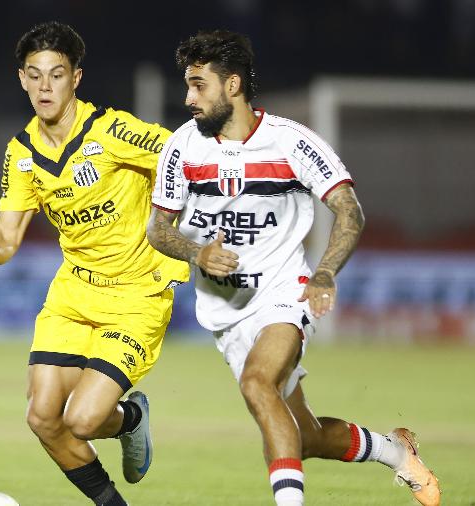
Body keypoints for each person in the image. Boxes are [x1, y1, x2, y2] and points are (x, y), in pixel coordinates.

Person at [145, 30, 441, 506]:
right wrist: (197, 253)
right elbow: (157, 230)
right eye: (187, 85)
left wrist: (323, 273)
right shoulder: (183, 147)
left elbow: (349, 210)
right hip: (226, 314)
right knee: (301, 436)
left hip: (283, 292)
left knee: (257, 383)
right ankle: (395, 453)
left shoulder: (291, 142)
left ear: (233, 84)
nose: (188, 98)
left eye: (199, 85)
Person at [0, 21, 189, 506]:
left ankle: (130, 419)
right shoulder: (21, 153)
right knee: (43, 418)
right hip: (73, 294)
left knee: (83, 421)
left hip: (136, 295)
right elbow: (7, 240)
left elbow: (182, 152)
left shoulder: (111, 131)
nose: (45, 87)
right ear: (21, 79)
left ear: (76, 79)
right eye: (35, 75)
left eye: (57, 75)